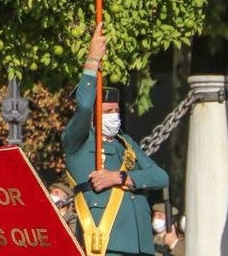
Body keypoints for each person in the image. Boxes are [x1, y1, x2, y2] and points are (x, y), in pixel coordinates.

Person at [62, 33, 168, 256]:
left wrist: (120, 178)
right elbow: (82, 108)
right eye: (108, 112)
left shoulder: (124, 142)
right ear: (94, 116)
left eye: (116, 110)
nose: (114, 115)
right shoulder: (78, 142)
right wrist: (92, 60)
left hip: (141, 245)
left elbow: (160, 176)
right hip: (106, 244)